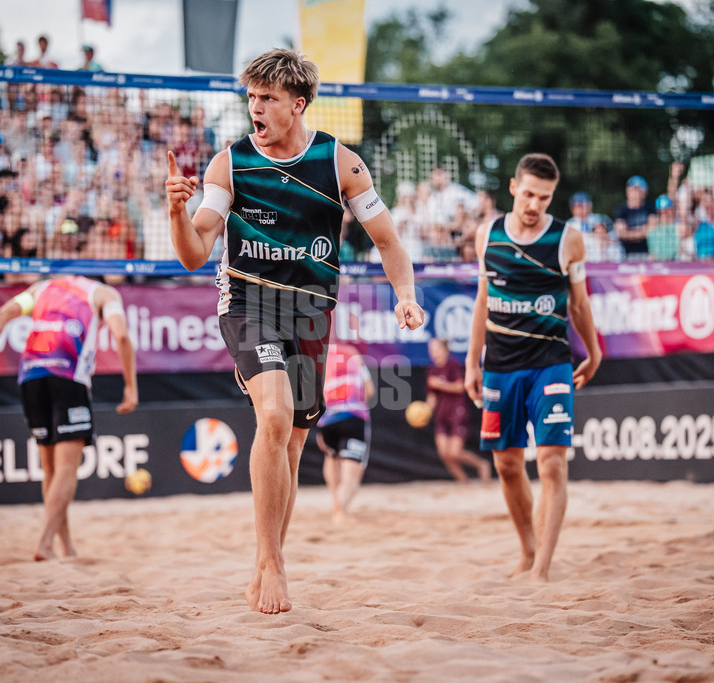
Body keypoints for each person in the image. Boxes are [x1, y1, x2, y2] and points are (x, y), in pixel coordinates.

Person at [165, 48, 425, 614]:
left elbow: (388, 242)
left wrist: (406, 296)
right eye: (251, 97)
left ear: (297, 104)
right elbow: (192, 254)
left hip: (310, 314)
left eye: (267, 98)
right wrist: (175, 215)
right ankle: (270, 563)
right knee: (276, 416)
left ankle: (270, 558)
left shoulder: (340, 163)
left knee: (296, 439)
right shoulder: (227, 165)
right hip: (249, 304)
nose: (254, 107)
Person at [464, 153, 602, 583]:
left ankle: (542, 568)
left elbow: (579, 303)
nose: (534, 204)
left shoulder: (567, 239)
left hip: (550, 363)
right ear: (513, 188)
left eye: (544, 197)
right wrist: (471, 361)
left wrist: (594, 352)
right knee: (507, 464)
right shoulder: (488, 234)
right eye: (528, 194)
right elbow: (483, 300)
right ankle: (527, 551)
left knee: (552, 464)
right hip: (501, 366)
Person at [0, 275, 138, 560]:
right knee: (67, 470)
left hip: (31, 375)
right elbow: (121, 336)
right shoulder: (105, 294)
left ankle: (65, 547)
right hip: (68, 377)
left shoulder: (43, 288)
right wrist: (130, 385)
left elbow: (1, 313)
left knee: (52, 472)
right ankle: (44, 543)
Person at [315, 342, 374, 524]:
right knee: (352, 472)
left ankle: (336, 503)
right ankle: (340, 510)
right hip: (353, 415)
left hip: (327, 418)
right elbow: (369, 390)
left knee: (331, 459)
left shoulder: (319, 354)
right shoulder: (352, 354)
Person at [427, 337, 492, 484]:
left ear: (444, 350)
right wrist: (424, 412)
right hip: (441, 414)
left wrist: (440, 384)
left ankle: (482, 464)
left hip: (457, 412)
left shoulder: (452, 365)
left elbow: (460, 387)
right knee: (444, 454)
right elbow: (432, 396)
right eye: (431, 349)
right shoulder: (432, 370)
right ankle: (462, 481)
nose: (433, 352)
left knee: (454, 453)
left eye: (435, 348)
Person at [613, 175, 654, 261]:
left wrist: (630, 232)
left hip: (648, 254)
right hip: (625, 254)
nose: (636, 194)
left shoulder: (650, 208)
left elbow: (652, 230)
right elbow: (622, 234)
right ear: (627, 191)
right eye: (633, 190)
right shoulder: (621, 210)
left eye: (639, 190)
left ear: (644, 192)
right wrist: (642, 231)